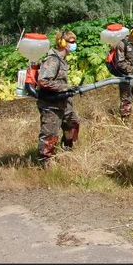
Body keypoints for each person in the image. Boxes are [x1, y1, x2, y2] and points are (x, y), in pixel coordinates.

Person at [36, 30, 81, 166]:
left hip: (64, 102)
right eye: (71, 42)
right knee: (50, 134)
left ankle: (67, 149)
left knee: (73, 123)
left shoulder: (62, 60)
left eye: (75, 41)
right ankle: (45, 162)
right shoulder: (53, 60)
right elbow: (43, 81)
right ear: (62, 43)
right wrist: (65, 87)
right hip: (51, 105)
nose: (74, 45)